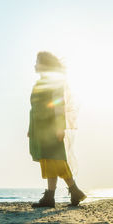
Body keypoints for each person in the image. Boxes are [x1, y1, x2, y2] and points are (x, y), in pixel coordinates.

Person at [28, 51, 86, 207]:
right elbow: (34, 108)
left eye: (37, 61)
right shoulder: (40, 83)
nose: (35, 64)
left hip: (51, 127)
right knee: (49, 161)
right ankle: (58, 195)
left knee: (57, 160)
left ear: (45, 64)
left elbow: (59, 105)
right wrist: (30, 128)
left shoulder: (55, 82)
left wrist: (60, 127)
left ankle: (68, 192)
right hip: (40, 128)